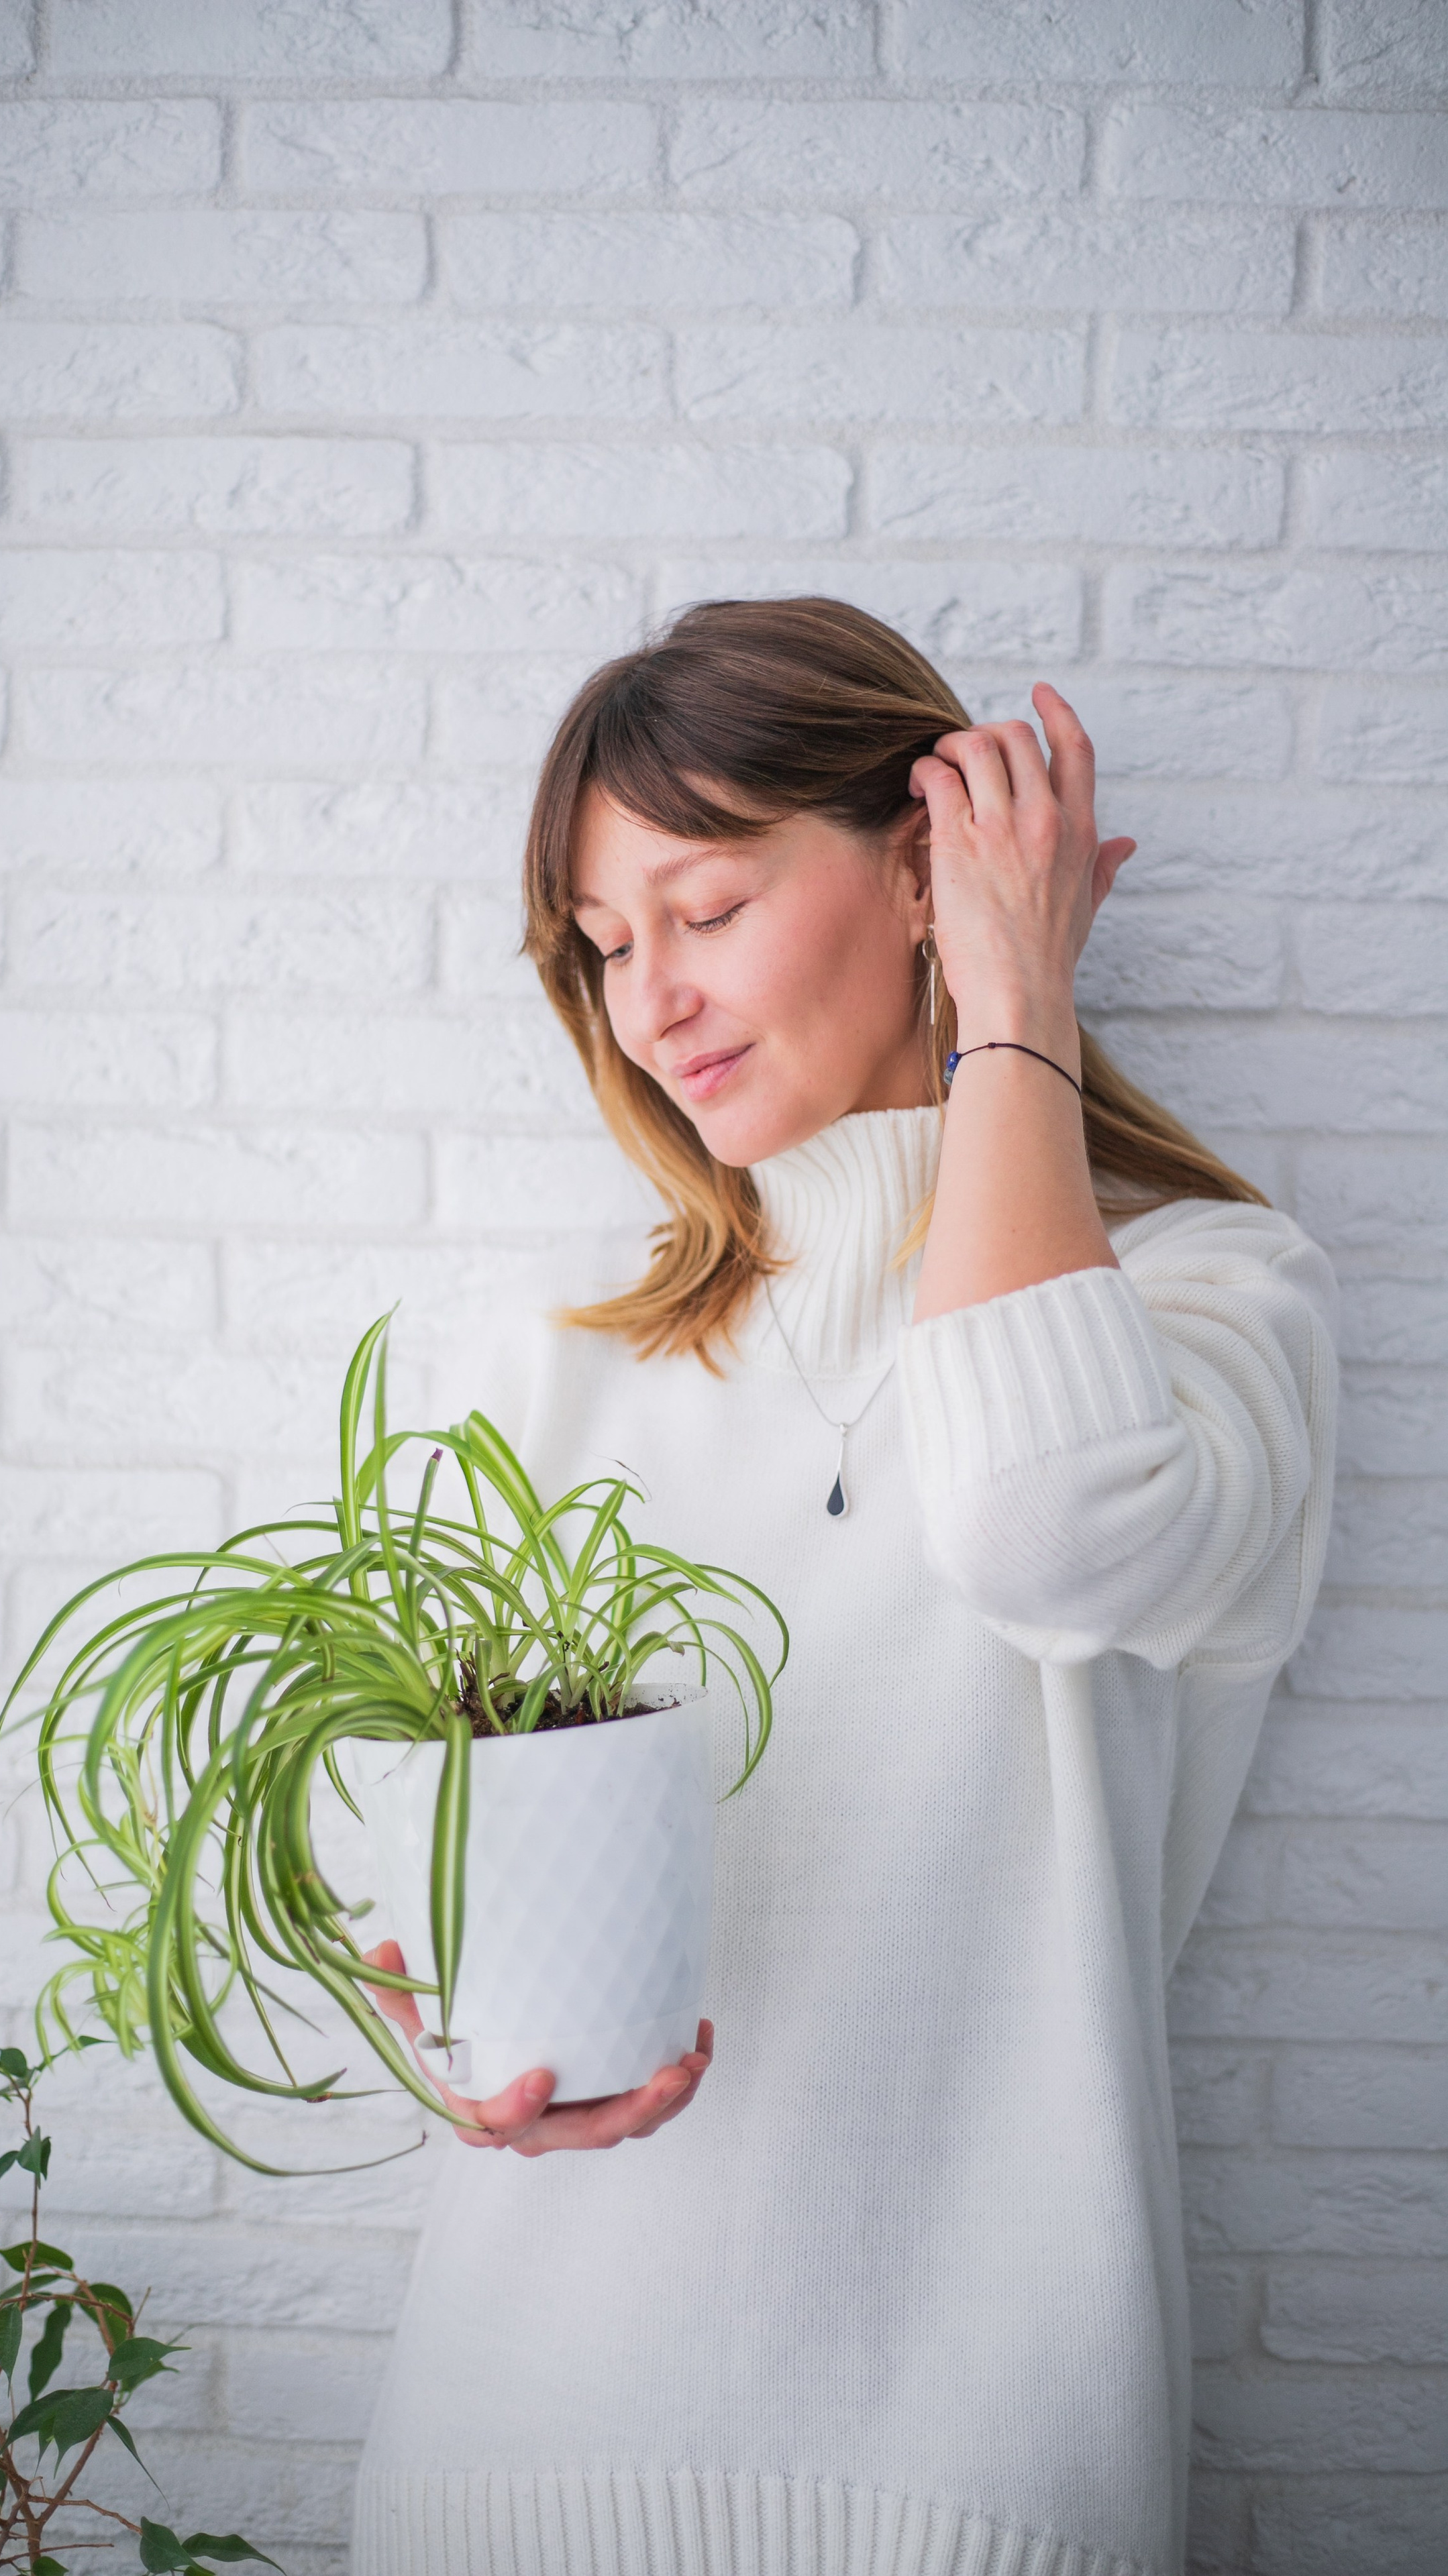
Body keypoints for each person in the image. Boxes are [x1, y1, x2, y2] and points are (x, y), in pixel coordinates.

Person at [348, 598, 1339, 2576]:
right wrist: (442, 2034)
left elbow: (1044, 1530)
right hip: (512, 2441)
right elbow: (407, 1867)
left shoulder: (1214, 1300)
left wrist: (1013, 1016)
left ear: (923, 869)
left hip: (976, 2479)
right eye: (607, 950)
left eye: (703, 911)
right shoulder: (548, 1361)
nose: (651, 1006)